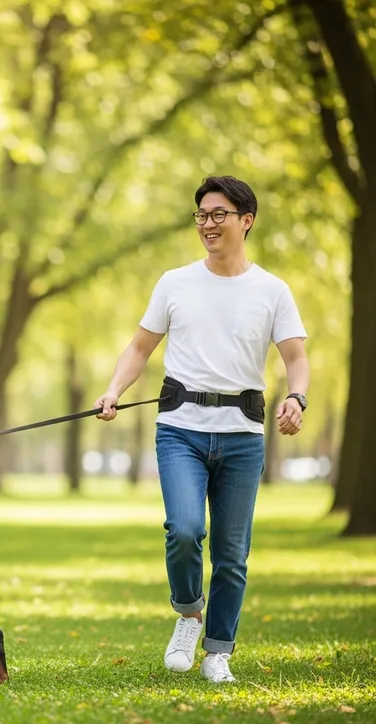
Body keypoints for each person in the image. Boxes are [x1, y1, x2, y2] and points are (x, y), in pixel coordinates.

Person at [94, 175, 309, 683]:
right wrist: (113, 391)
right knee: (185, 530)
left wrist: (297, 397)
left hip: (242, 436)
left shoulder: (272, 291)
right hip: (180, 430)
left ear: (245, 220)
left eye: (219, 215)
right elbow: (140, 348)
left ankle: (218, 652)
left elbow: (296, 358)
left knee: (232, 555)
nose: (208, 224)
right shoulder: (175, 282)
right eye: (202, 216)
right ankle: (189, 614)